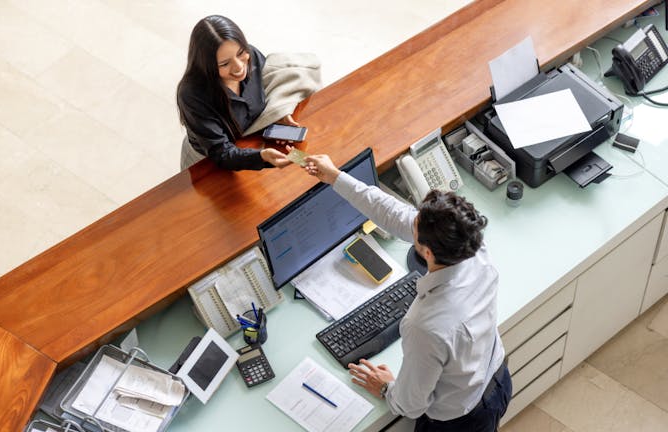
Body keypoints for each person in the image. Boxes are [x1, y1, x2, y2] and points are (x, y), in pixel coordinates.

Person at [303, 154, 512, 432]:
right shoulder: (472, 244)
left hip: (462, 421)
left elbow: (411, 406)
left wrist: (388, 388)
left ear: (426, 252)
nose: (409, 220)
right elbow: (394, 213)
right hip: (498, 379)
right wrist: (335, 176)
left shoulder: (425, 325)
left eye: (415, 225)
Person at [177, 15, 298, 171]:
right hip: (207, 160)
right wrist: (259, 157)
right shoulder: (192, 95)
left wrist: (278, 114)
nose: (239, 66)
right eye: (225, 63)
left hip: (249, 144)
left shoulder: (252, 55)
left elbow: (268, 88)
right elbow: (221, 152)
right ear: (207, 65)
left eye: (241, 53)